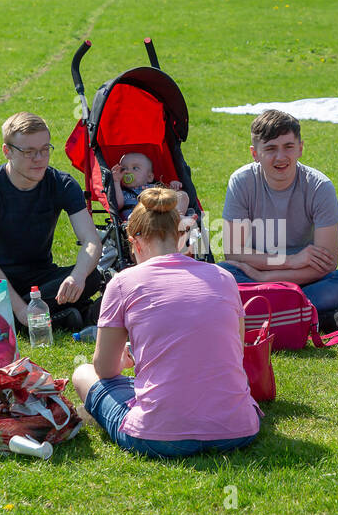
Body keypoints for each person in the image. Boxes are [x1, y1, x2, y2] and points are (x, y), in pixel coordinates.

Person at [72, 188, 259, 459]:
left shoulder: (123, 283)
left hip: (156, 436)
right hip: (237, 429)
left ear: (135, 243)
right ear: (180, 236)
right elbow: (235, 351)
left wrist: (126, 361)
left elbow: (105, 369)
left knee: (83, 373)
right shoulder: (223, 278)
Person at [0, 112, 104, 331]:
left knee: (93, 275)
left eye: (45, 150)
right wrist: (22, 311)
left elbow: (91, 241)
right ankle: (42, 317)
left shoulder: (62, 184)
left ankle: (6, 320)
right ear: (7, 152)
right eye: (29, 152)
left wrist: (77, 277)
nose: (39, 159)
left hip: (41, 279)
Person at [219, 110, 338, 332]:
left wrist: (265, 277)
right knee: (222, 274)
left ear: (300, 148)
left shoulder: (319, 186)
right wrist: (290, 260)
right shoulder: (242, 181)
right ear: (254, 153)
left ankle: (258, 314)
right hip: (256, 273)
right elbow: (233, 252)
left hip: (302, 277)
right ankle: (308, 315)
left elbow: (327, 263)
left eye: (288, 146)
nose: (280, 157)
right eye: (270, 149)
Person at [111, 152, 189, 218]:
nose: (127, 172)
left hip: (162, 219)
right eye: (124, 168)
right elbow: (117, 205)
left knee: (182, 195)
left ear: (149, 177)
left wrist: (174, 188)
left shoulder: (156, 187)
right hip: (138, 221)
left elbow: (169, 199)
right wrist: (116, 182)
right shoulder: (122, 193)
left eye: (135, 168)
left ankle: (176, 219)